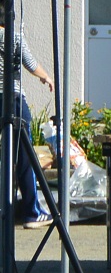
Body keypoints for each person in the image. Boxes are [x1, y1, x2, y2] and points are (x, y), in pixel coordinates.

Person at [1, 22, 55, 229]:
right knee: (25, 155)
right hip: (12, 99)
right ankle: (32, 211)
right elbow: (30, 63)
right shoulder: (13, 35)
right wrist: (47, 77)